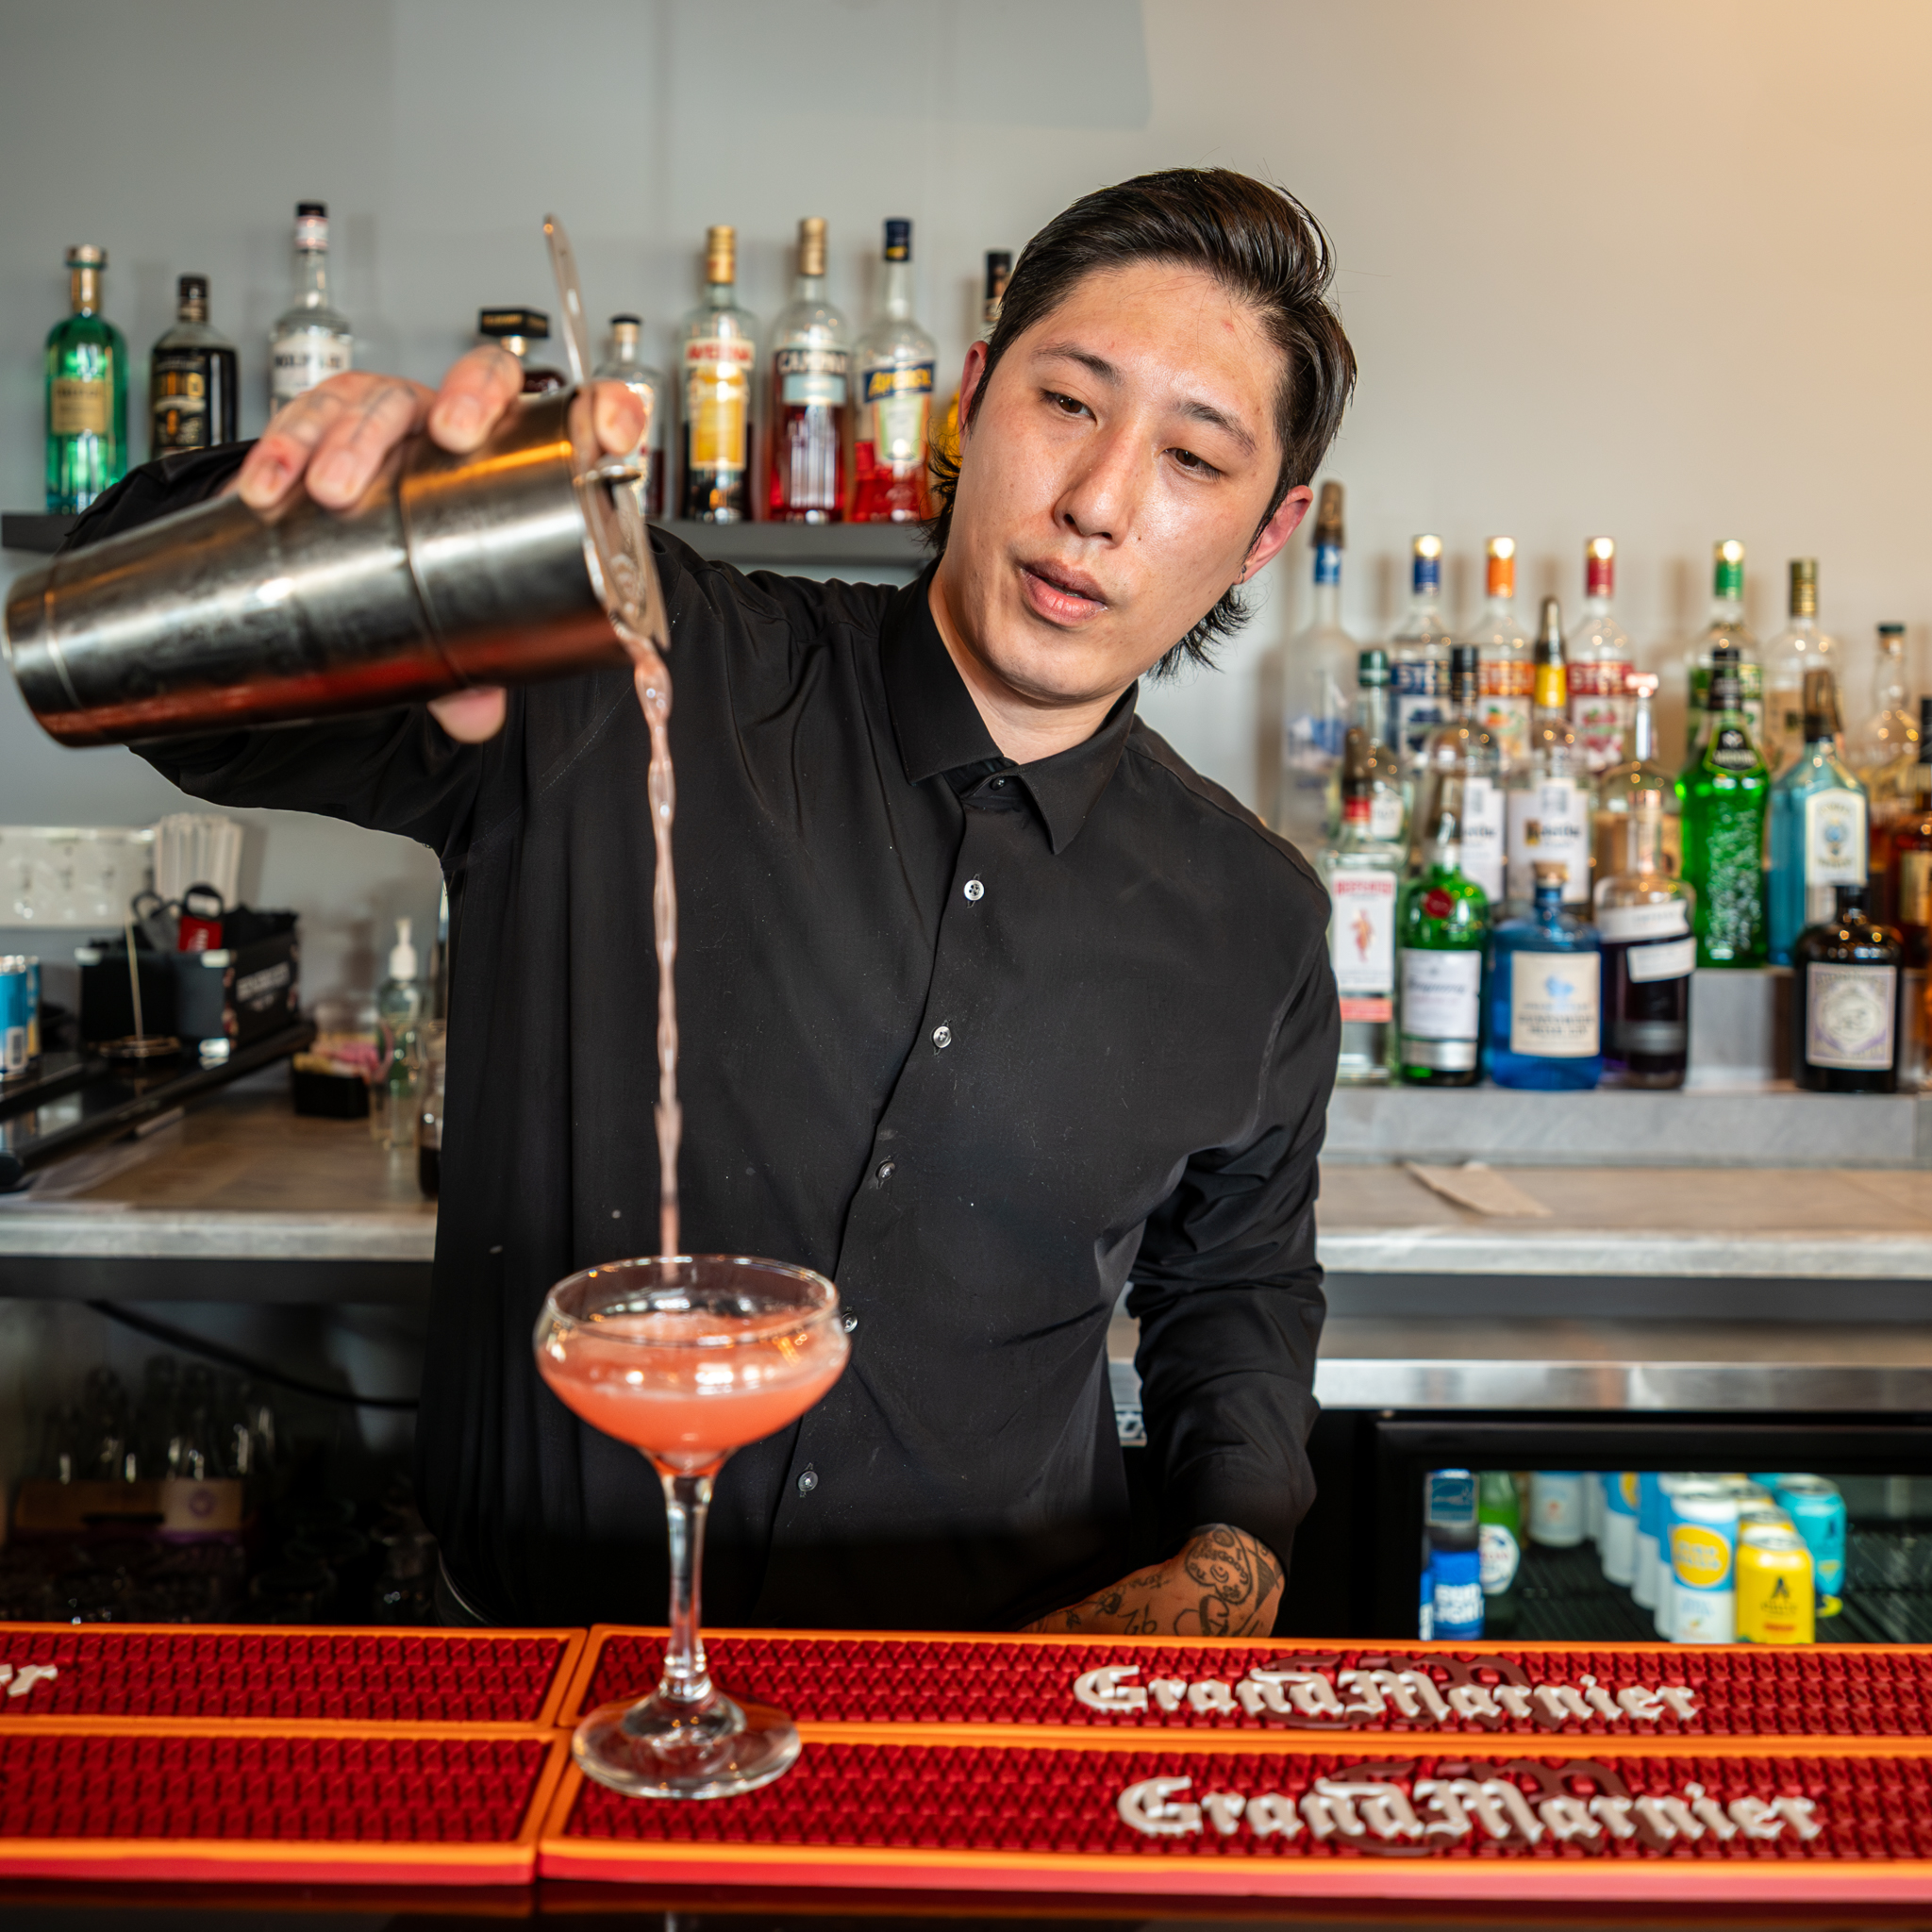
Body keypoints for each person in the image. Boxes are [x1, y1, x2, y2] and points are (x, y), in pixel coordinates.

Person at [78, 168, 1356, 1635]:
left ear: (1269, 531)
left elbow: (1239, 1288)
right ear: (973, 396)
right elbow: (138, 664)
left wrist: (1228, 1548)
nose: (1100, 503)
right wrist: (318, 527)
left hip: (978, 1723)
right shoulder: (628, 663)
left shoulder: (1255, 918)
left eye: (1195, 459)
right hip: (544, 1694)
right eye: (1069, 404)